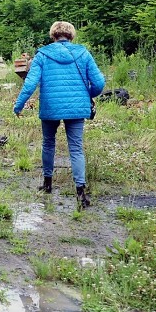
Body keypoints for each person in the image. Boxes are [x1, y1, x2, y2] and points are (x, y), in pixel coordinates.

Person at [13, 21, 105, 208]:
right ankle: (80, 192)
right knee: (76, 148)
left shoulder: (42, 55)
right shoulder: (83, 53)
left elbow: (30, 84)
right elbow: (99, 82)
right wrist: (89, 94)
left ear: (53, 35)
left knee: (48, 143)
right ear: (71, 35)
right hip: (76, 108)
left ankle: (47, 184)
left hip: (50, 107)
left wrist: (18, 106)